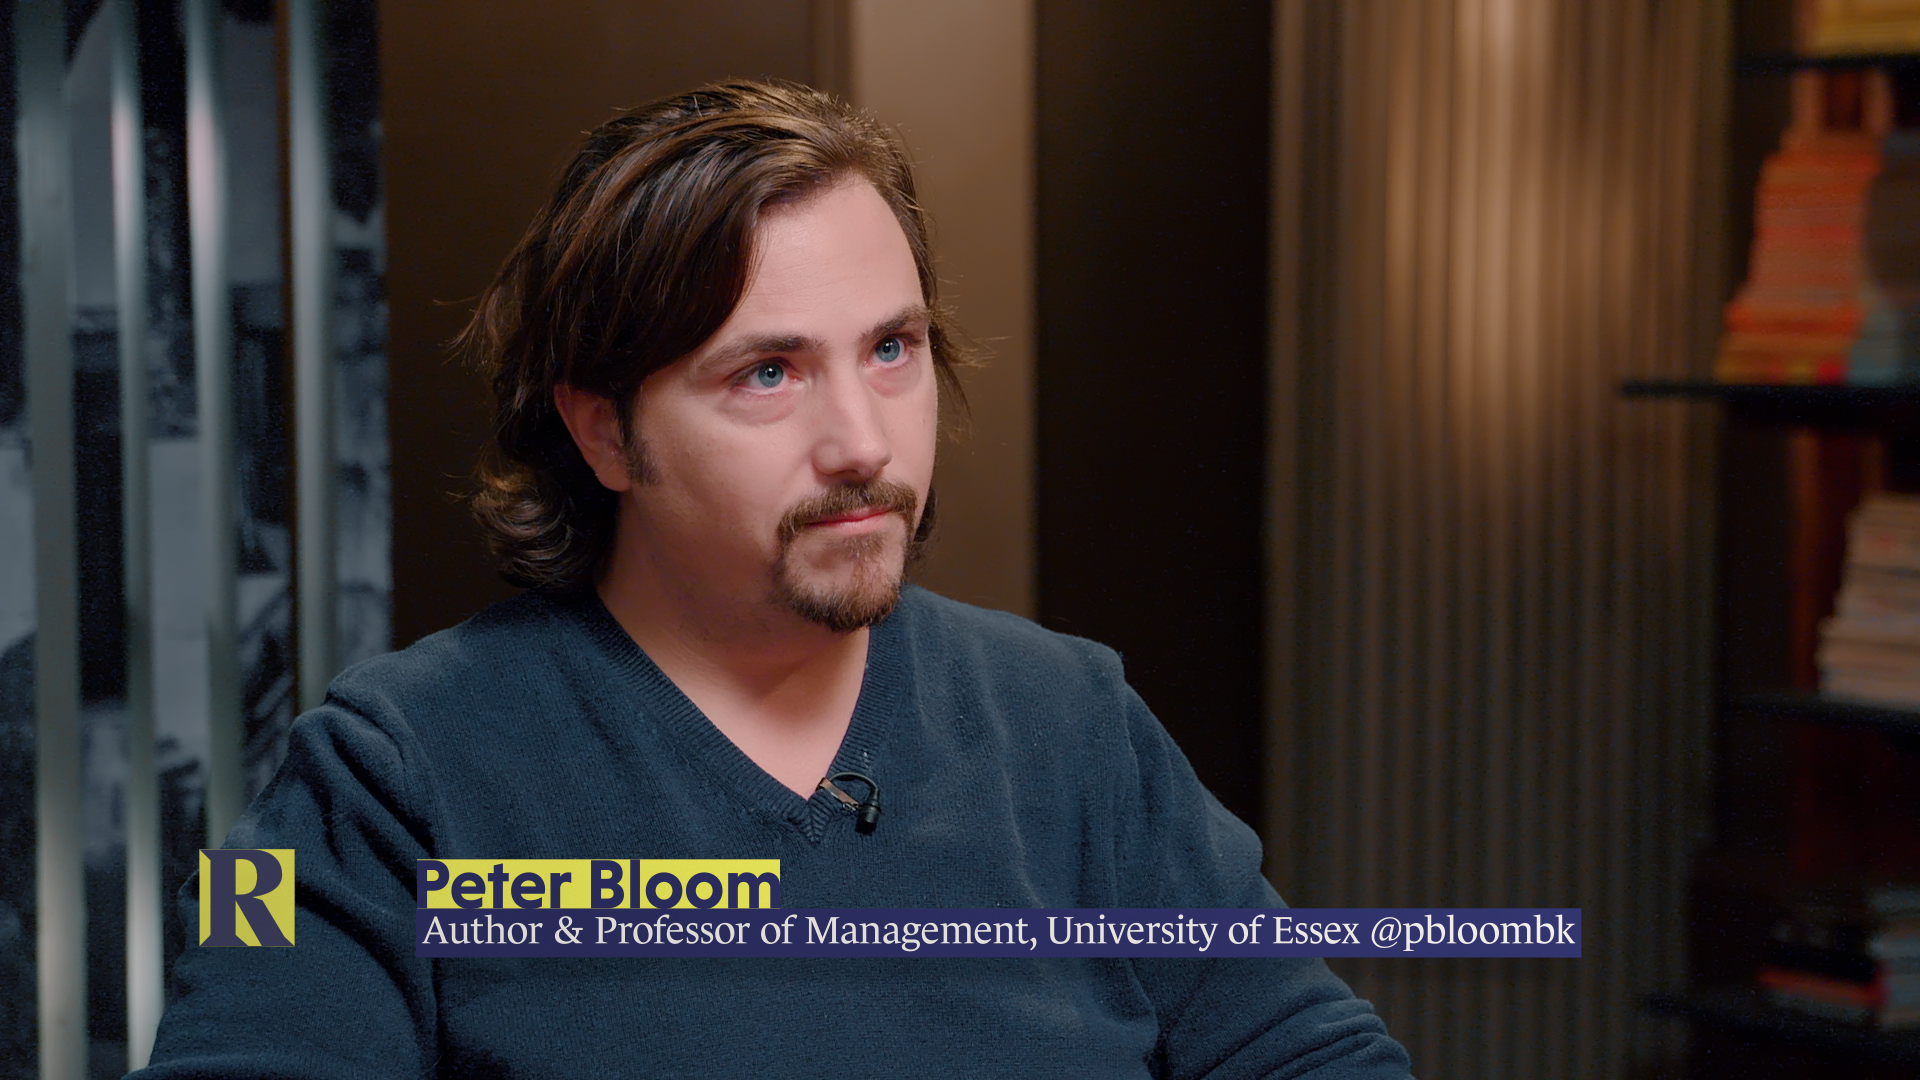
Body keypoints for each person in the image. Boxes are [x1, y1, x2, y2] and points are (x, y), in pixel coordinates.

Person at [135, 80, 1413, 1078]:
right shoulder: (380, 779)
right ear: (603, 431)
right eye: (768, 372)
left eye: (893, 350)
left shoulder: (1076, 724)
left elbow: (1313, 1051)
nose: (863, 441)